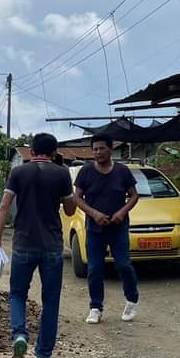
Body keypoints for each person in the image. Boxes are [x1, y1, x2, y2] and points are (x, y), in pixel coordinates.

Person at [0, 133, 76, 358]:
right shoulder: (61, 173)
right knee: (51, 300)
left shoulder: (18, 172)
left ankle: (19, 335)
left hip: (23, 245)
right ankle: (43, 355)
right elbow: (70, 210)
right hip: (52, 246)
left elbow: (4, 206)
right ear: (54, 152)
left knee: (17, 294)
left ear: (32, 151)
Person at [73, 133, 140, 324]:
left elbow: (134, 195)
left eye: (101, 148)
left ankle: (132, 300)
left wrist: (122, 212)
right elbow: (77, 198)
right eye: (94, 149)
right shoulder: (86, 171)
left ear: (110, 149)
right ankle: (95, 307)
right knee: (94, 268)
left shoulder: (122, 171)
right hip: (95, 229)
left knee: (123, 265)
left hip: (118, 227)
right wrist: (94, 213)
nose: (98, 152)